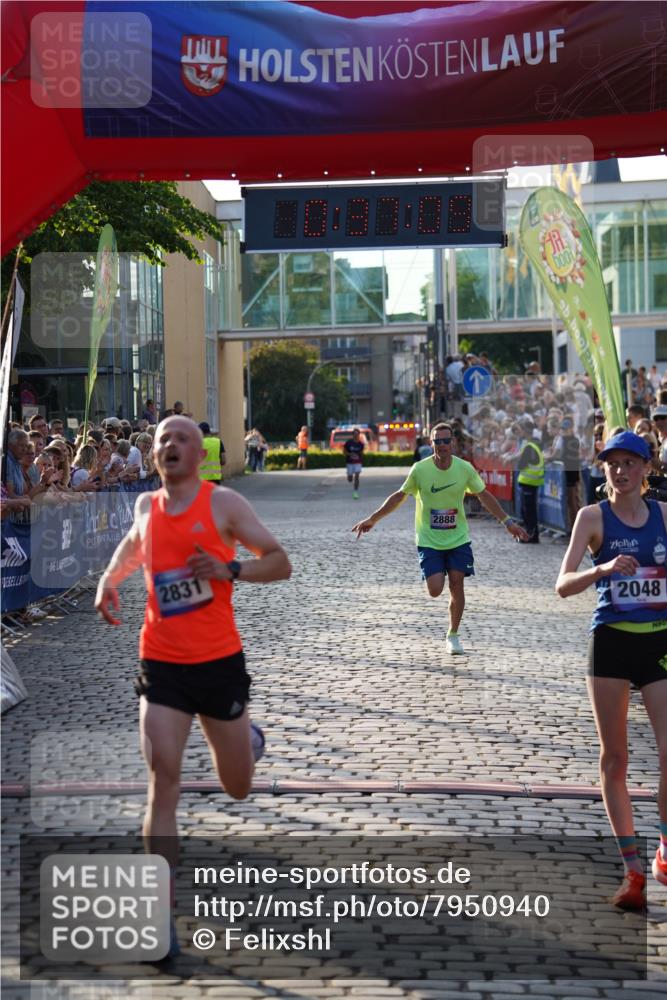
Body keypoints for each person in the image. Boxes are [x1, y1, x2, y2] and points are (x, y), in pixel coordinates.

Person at [94, 416, 292, 957]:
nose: (171, 445)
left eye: (181, 438)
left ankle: (246, 742)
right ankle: (158, 921)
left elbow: (279, 562)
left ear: (198, 454)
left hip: (219, 663)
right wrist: (109, 581)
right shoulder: (144, 508)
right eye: (163, 440)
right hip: (161, 665)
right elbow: (134, 549)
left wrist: (230, 569)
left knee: (237, 787)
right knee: (164, 781)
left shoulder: (224, 504)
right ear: (154, 456)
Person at [555, 430, 667, 911]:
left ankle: (664, 846)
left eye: (629, 463)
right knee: (614, 760)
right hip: (611, 645)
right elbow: (562, 585)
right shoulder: (592, 517)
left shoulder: (665, 515)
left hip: (660, 643)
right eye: (611, 464)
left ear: (647, 468)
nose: (620, 472)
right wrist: (601, 571)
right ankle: (633, 872)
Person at [352, 421, 528, 655]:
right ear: (431, 443)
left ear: (453, 442)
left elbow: (483, 495)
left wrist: (507, 521)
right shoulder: (420, 470)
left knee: (457, 583)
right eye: (438, 441)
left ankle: (453, 634)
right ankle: (438, 576)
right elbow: (399, 496)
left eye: (446, 441)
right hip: (429, 539)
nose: (442, 445)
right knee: (435, 589)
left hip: (458, 539)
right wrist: (373, 519)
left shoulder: (464, 468)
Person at [515, 417, 544, 544]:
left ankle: (532, 535)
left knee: (529, 512)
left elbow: (521, 465)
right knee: (528, 511)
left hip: (529, 482)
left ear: (525, 431)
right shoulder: (534, 444)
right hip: (531, 482)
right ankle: (530, 534)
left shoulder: (529, 446)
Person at [343, 427, 364, 499]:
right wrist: (350, 454)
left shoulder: (361, 444)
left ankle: (355, 492)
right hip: (350, 462)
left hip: (358, 462)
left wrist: (360, 458)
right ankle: (349, 475)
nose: (356, 435)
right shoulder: (348, 442)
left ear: (359, 435)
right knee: (350, 479)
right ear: (352, 435)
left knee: (357, 476)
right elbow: (344, 452)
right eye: (355, 434)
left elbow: (361, 453)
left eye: (357, 434)